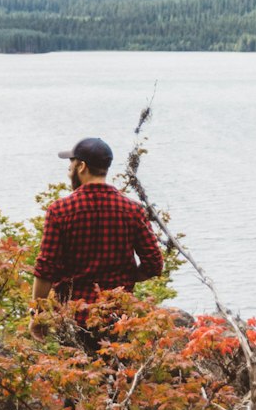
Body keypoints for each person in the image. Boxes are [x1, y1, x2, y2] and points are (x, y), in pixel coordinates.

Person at [30, 136, 164, 349]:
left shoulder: (60, 210)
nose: (68, 171)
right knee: (116, 377)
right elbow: (154, 264)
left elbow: (46, 269)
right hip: (118, 318)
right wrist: (127, 280)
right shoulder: (132, 209)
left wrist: (38, 315)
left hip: (74, 319)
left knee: (78, 377)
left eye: (70, 165)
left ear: (81, 166)